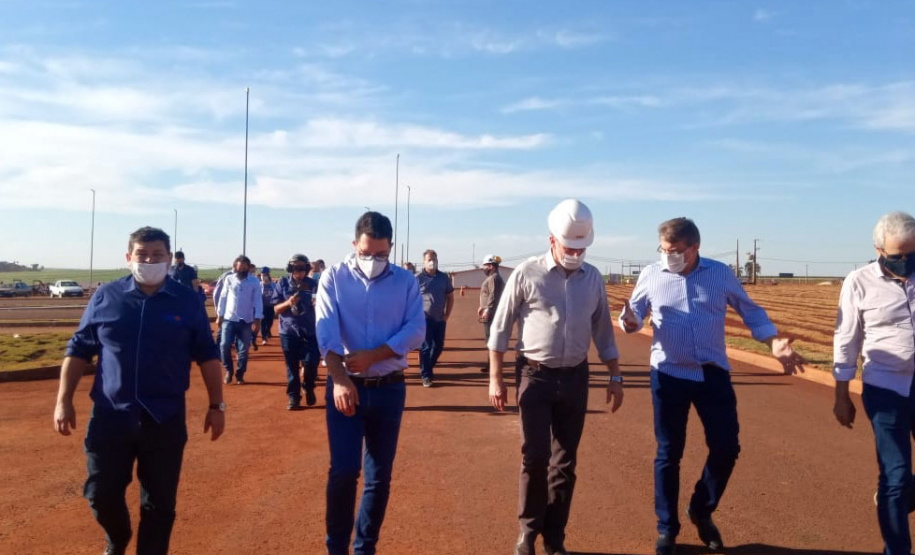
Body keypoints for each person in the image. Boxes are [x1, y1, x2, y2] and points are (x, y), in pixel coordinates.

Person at [619, 217, 806, 555]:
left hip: (712, 373)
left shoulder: (719, 274)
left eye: (675, 251)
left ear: (694, 248)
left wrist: (772, 341)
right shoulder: (651, 274)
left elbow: (751, 312)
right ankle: (667, 528)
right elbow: (633, 316)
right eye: (663, 250)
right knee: (668, 453)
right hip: (669, 374)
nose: (668, 256)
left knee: (726, 447)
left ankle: (701, 509)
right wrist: (629, 321)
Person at [53, 226, 225, 555]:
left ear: (168, 259)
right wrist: (63, 401)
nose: (149, 260)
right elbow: (78, 350)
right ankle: (117, 538)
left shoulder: (187, 301)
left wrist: (217, 405)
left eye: (157, 255)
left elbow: (207, 355)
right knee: (100, 494)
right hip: (110, 417)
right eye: (142, 255)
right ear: (128, 257)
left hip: (164, 419)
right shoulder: (107, 297)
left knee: (159, 505)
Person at [488, 199, 624, 555]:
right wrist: (496, 379)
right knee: (535, 456)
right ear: (552, 241)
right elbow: (500, 330)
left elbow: (603, 332)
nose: (576, 254)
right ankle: (528, 531)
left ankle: (555, 536)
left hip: (576, 377)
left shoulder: (592, 278)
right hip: (535, 376)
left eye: (581, 248)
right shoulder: (526, 274)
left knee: (566, 461)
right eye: (569, 247)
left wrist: (615, 375)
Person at [316, 211, 425, 555]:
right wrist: (340, 379)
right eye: (366, 253)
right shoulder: (333, 277)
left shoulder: (406, 281)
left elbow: (416, 330)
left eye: (381, 254)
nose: (373, 261)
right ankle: (336, 548)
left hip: (389, 389)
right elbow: (326, 332)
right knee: (345, 472)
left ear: (390, 248)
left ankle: (365, 548)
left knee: (378, 478)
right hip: (346, 389)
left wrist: (374, 355)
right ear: (354, 245)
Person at [833, 211, 915, 555]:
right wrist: (841, 393)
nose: (905, 262)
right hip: (886, 388)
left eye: (912, 255)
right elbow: (846, 338)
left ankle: (900, 495)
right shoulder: (858, 281)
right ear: (878, 249)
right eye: (897, 256)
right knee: (895, 474)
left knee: (899, 485)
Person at [273, 254, 321, 410]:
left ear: (307, 269)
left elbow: (321, 305)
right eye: (295, 268)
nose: (299, 271)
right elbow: (276, 309)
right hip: (289, 331)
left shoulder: (313, 284)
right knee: (292, 366)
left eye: (302, 268)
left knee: (311, 363)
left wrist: (316, 304)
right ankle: (293, 397)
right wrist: (289, 302)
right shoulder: (282, 283)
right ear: (290, 268)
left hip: (311, 331)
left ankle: (308, 386)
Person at [216, 255, 263, 385]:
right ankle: (229, 371)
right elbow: (223, 297)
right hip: (229, 319)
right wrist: (220, 315)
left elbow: (257, 300)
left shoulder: (254, 282)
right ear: (235, 267)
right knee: (224, 345)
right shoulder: (229, 279)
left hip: (246, 320)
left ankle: (240, 374)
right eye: (239, 266)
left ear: (248, 267)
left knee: (243, 350)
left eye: (244, 267)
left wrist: (257, 317)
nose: (241, 269)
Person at [416, 249, 454, 387]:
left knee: (438, 347)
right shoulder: (417, 278)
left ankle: (428, 367)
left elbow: (450, 297)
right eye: (429, 260)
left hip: (440, 319)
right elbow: (409, 299)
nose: (432, 262)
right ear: (424, 262)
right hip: (424, 318)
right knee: (425, 347)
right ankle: (426, 375)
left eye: (434, 259)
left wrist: (447, 315)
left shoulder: (443, 278)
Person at [478, 254, 505, 373]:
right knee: (490, 340)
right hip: (490, 311)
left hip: (492, 313)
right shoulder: (494, 278)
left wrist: (488, 309)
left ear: (491, 266)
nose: (483, 268)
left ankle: (493, 366)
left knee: (491, 340)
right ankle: (490, 365)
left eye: (485, 266)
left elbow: (493, 295)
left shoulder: (494, 278)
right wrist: (482, 307)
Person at [259, 267, 278, 345]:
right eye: (262, 275)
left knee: (270, 321)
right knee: (263, 322)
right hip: (262, 306)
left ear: (268, 275)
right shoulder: (259, 285)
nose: (263, 277)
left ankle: (267, 331)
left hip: (271, 306)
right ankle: (264, 338)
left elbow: (276, 294)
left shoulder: (273, 285)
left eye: (265, 275)